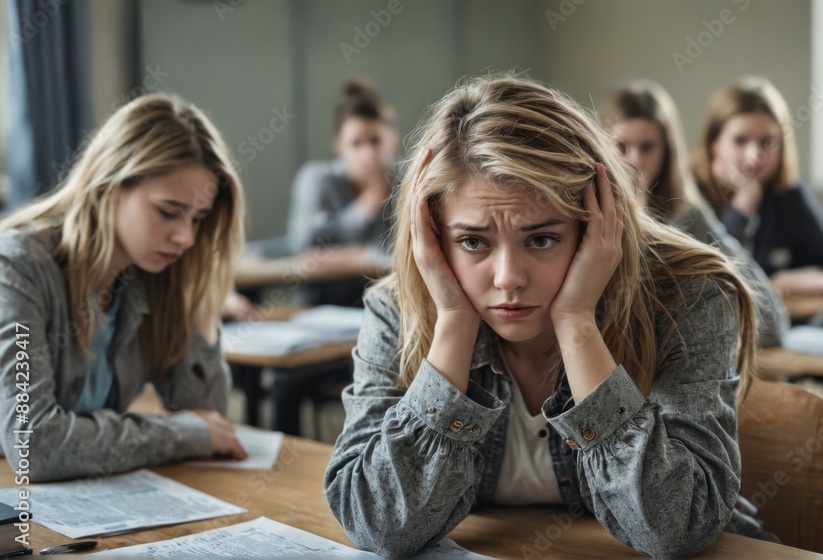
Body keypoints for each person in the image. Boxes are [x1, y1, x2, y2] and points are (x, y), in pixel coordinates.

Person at [324, 75, 776, 558]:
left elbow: (677, 528)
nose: (508, 278)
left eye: (541, 239)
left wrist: (578, 322)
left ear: (596, 225)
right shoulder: (400, 309)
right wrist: (453, 320)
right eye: (473, 242)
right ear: (432, 236)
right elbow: (378, 526)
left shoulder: (687, 296)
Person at [0, 93, 247, 482]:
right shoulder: (16, 266)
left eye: (198, 219)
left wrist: (202, 302)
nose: (185, 237)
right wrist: (180, 434)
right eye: (168, 211)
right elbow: (34, 445)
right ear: (110, 186)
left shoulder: (152, 275)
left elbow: (208, 417)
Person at [599, 79, 787, 346]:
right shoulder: (583, 219)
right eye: (621, 147)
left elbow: (770, 320)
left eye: (648, 147)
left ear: (668, 151)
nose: (636, 161)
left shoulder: (690, 219)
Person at [690, 76, 823, 300]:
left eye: (767, 142)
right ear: (714, 145)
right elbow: (705, 281)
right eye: (740, 140)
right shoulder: (688, 194)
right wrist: (741, 211)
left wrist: (781, 283)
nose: (755, 155)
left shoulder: (788, 194)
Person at [285, 77, 396, 308]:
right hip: (321, 305)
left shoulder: (400, 181)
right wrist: (368, 203)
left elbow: (407, 255)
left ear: (389, 141)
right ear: (339, 147)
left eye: (375, 141)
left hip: (385, 303)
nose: (368, 154)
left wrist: (361, 257)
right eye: (356, 143)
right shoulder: (318, 179)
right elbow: (303, 249)